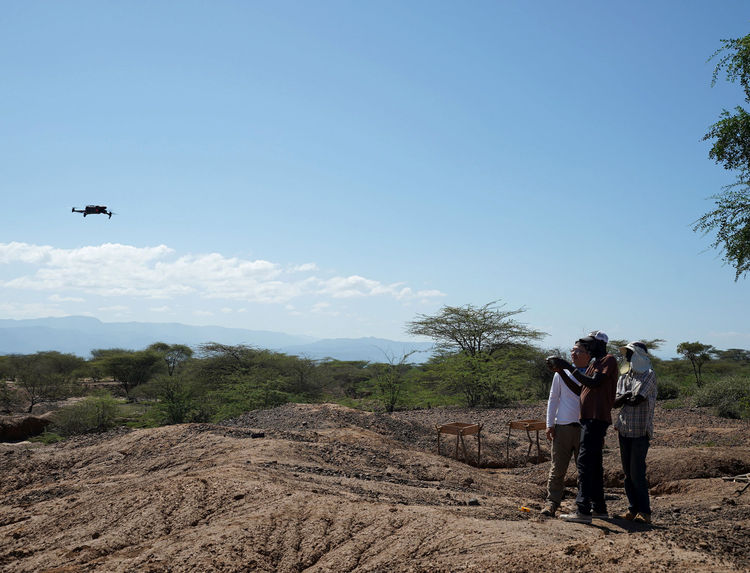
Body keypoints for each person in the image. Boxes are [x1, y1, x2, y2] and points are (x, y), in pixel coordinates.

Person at [547, 330, 619, 524]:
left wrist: (568, 366)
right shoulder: (595, 363)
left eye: (589, 345)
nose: (586, 348)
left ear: (599, 345)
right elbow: (581, 389)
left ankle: (583, 510)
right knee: (593, 465)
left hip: (595, 418)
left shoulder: (608, 360)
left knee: (585, 464)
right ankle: (599, 508)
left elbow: (594, 383)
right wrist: (561, 371)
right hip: (588, 418)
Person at [540, 342, 588, 517]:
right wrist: (549, 424)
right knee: (558, 468)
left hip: (585, 427)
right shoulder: (561, 373)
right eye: (573, 351)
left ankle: (583, 505)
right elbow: (553, 399)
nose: (573, 354)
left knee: (584, 470)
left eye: (578, 351)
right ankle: (552, 502)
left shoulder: (592, 374)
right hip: (563, 426)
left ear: (588, 354)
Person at [613, 341, 657, 524]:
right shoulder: (625, 376)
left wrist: (623, 397)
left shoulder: (649, 375)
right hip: (624, 429)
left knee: (637, 473)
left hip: (640, 431)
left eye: (630, 354)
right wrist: (625, 397)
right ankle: (633, 508)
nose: (627, 357)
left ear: (638, 355)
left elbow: (636, 399)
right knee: (628, 474)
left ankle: (644, 512)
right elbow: (616, 402)